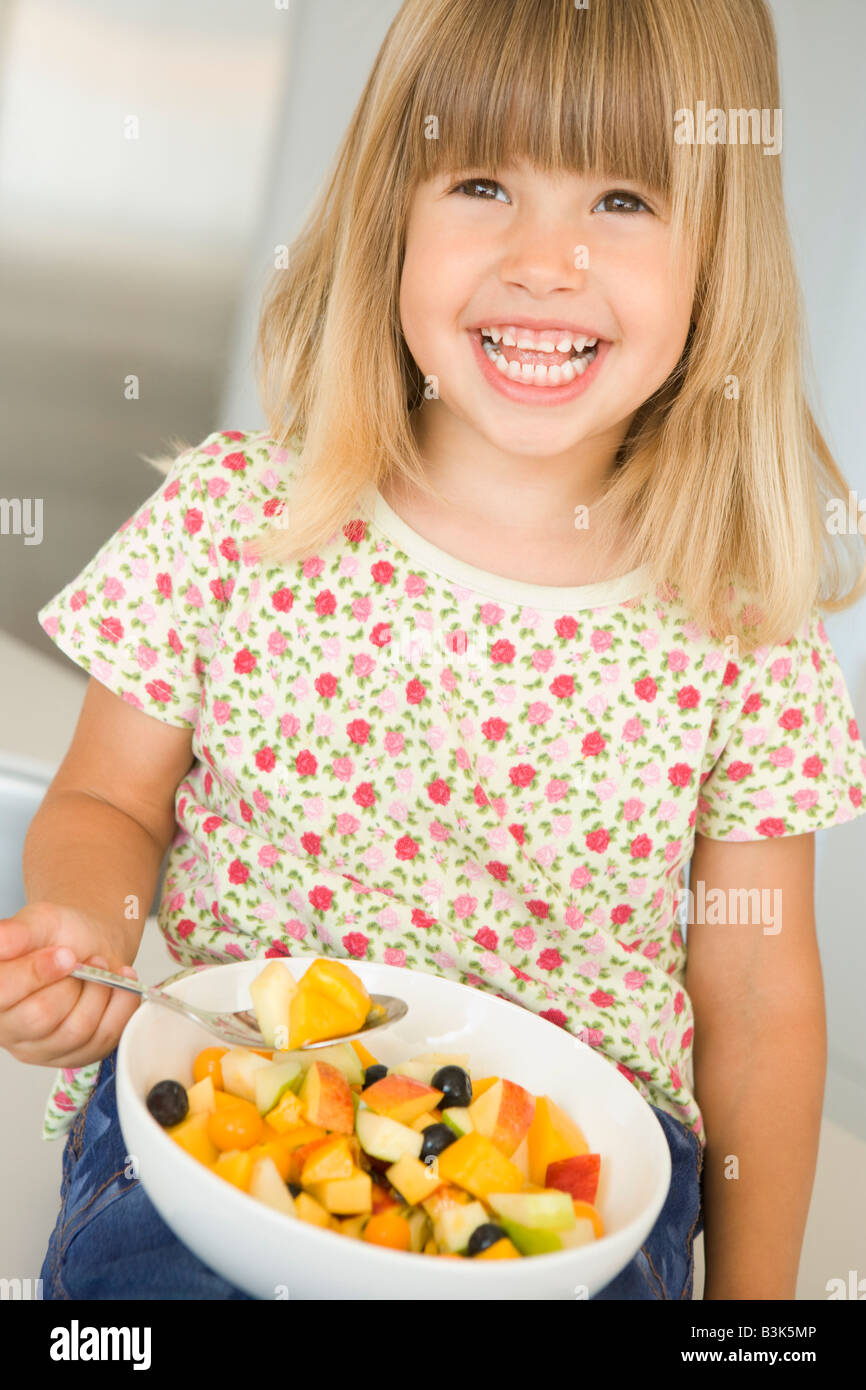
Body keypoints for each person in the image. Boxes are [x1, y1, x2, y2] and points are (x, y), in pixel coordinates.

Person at [2, 0, 864, 1301]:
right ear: (386, 213)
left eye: (622, 199)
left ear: (720, 250)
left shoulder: (742, 626)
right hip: (230, 1117)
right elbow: (109, 799)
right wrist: (83, 921)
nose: (546, 260)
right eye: (481, 183)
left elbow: (752, 993)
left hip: (574, 1192)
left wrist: (753, 1318)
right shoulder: (236, 519)